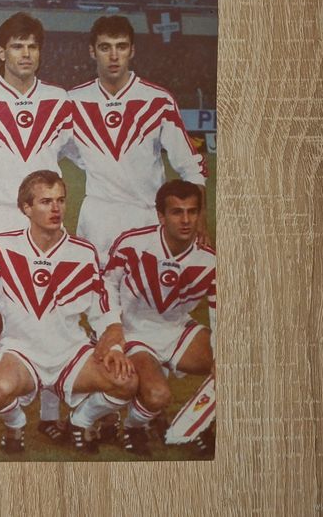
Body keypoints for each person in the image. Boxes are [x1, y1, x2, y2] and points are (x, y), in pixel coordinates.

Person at [0, 12, 76, 447]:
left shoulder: (60, 101)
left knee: (51, 317)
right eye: (17, 46)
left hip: (46, 226)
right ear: (1, 52)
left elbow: (85, 154)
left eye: (33, 46)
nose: (26, 54)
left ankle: (49, 414)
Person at [0, 170, 138, 454]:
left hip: (70, 352)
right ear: (26, 208)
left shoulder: (83, 252)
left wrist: (113, 343)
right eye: (46, 201)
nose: (56, 208)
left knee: (127, 381)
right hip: (22, 352)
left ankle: (80, 420)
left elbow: (102, 306)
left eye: (60, 200)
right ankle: (16, 424)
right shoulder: (2, 246)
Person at [67, 15, 209, 261]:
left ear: (132, 51)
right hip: (98, 220)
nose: (114, 56)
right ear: (92, 51)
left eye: (121, 46)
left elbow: (191, 167)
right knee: (95, 286)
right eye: (105, 47)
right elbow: (47, 151)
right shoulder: (71, 102)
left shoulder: (158, 100)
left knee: (148, 286)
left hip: (146, 217)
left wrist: (201, 220)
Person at [103, 180, 216, 456]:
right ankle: (133, 426)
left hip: (177, 330)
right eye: (177, 212)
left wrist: (220, 354)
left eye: (192, 211)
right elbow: (106, 284)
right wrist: (113, 326)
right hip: (136, 333)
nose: (186, 220)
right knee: (157, 396)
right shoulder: (133, 243)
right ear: (161, 216)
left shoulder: (209, 260)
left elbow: (219, 314)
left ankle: (197, 424)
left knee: (239, 364)